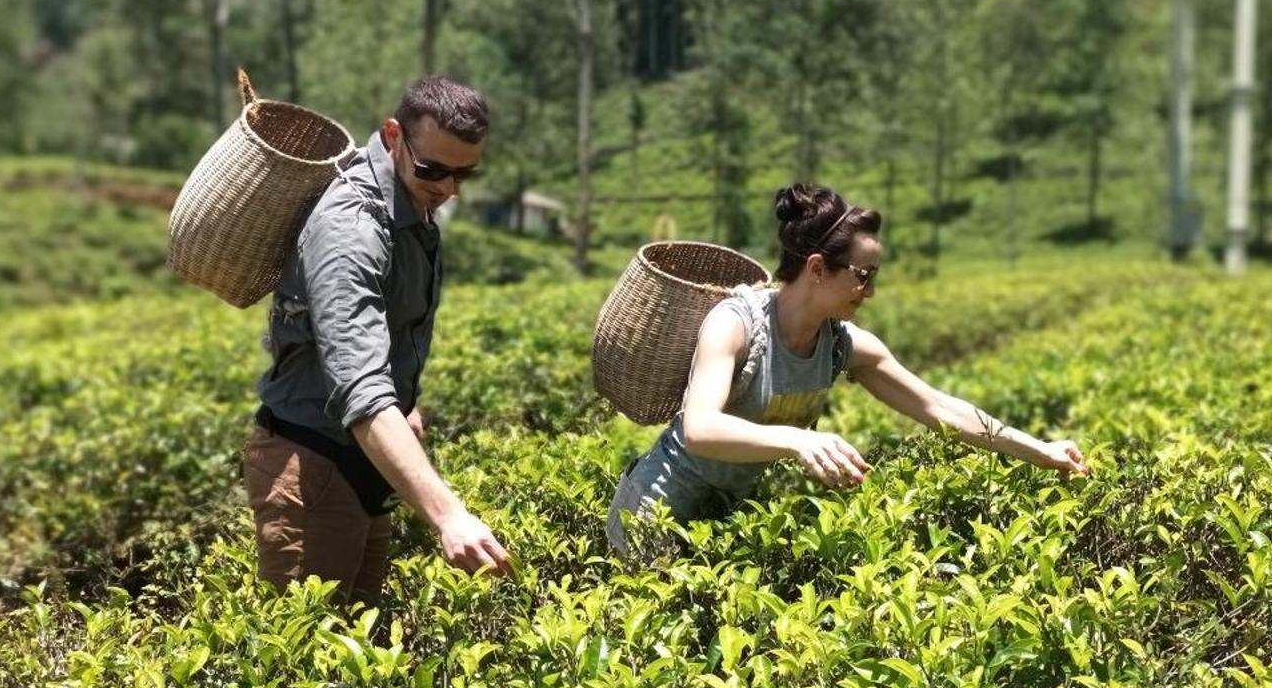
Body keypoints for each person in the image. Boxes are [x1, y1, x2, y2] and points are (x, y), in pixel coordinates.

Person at [606, 184, 1090, 555]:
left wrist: (1041, 451)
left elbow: (940, 407)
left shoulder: (842, 345)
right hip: (657, 508)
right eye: (863, 276)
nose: (870, 292)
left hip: (726, 514)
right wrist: (801, 440)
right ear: (817, 268)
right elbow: (701, 428)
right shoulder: (734, 324)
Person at [245, 75, 511, 601]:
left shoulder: (412, 200)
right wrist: (448, 515)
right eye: (435, 170)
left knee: (358, 655)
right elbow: (363, 395)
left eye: (464, 174)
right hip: (314, 468)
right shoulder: (351, 231)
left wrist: (404, 404)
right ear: (393, 135)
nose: (448, 189)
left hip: (365, 463)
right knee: (308, 663)